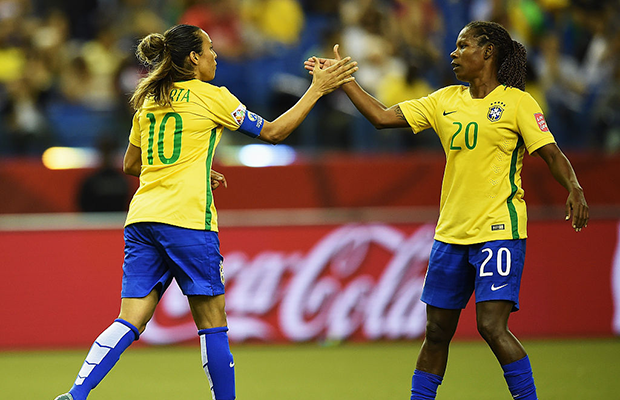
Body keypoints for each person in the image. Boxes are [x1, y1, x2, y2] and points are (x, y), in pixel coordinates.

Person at [53, 23, 356, 400]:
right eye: (210, 48)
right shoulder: (213, 96)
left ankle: (75, 394)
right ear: (194, 57)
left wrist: (187, 164)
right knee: (213, 323)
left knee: (129, 319)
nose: (217, 55)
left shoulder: (151, 99)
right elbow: (275, 132)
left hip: (143, 218)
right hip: (187, 220)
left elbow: (133, 164)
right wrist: (318, 89)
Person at [305, 20, 589, 400]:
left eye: (463, 45)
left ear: (488, 51)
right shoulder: (443, 100)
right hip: (450, 235)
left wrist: (574, 186)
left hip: (498, 230)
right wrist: (343, 80)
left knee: (492, 326)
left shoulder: (518, 102)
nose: (454, 53)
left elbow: (551, 153)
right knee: (436, 332)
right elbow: (382, 117)